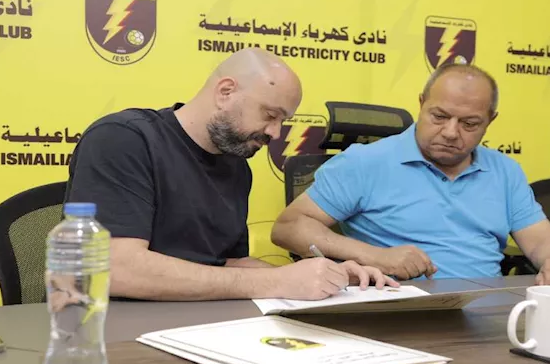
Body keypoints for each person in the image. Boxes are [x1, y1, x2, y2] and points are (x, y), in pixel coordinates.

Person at [64, 48, 398, 301]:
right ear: (225, 92)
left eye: (282, 121)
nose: (275, 133)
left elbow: (229, 263)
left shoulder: (236, 165)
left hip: (207, 326)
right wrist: (276, 282)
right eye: (270, 115)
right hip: (123, 331)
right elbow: (114, 268)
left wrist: (323, 277)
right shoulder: (124, 139)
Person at [271, 63, 550, 287]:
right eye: (439, 116)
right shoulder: (365, 162)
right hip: (395, 315)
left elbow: (542, 241)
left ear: (490, 121)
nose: (451, 132)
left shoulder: (504, 171)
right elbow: (288, 228)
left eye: (469, 123)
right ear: (422, 104)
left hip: (489, 315)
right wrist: (376, 256)